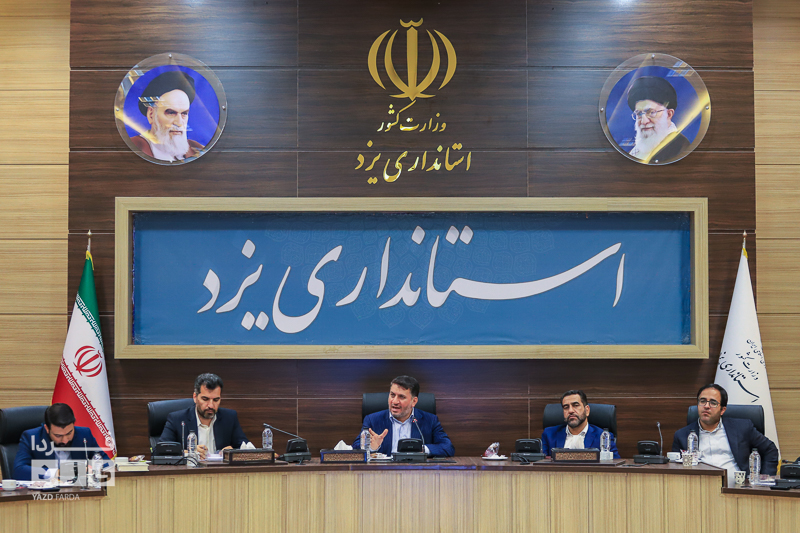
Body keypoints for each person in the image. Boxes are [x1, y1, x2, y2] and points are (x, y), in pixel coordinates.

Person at [672, 384, 778, 483]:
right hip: (699, 488)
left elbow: (770, 449)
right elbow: (676, 468)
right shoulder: (682, 435)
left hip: (736, 488)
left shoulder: (742, 428)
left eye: (713, 403)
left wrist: (763, 479)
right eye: (702, 401)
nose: (706, 406)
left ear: (722, 410)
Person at [353, 375, 454, 457]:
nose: (395, 401)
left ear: (414, 401)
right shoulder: (372, 420)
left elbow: (448, 447)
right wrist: (371, 447)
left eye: (401, 397)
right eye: (392, 395)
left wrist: (420, 449)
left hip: (416, 472)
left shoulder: (430, 420)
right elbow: (355, 447)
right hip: (384, 472)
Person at [159, 373, 249, 459]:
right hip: (190, 469)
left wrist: (233, 452)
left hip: (220, 469)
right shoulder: (177, 419)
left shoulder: (229, 418)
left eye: (216, 400)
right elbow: (159, 451)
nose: (211, 405)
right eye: (205, 399)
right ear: (195, 397)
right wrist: (188, 453)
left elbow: (247, 448)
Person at [13, 403, 107, 481]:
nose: (65, 440)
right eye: (58, 436)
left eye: (69, 433)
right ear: (47, 429)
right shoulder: (32, 437)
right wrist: (57, 473)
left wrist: (93, 470)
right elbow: (19, 471)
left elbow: (106, 462)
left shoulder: (84, 434)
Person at [129, 70, 205, 162]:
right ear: (151, 115)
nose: (179, 123)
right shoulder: (134, 147)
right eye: (171, 113)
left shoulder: (197, 149)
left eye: (184, 113)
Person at [626, 75, 691, 163]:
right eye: (639, 114)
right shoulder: (636, 150)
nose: (644, 121)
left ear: (669, 114)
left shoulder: (679, 148)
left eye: (651, 112)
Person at [540, 390, 620, 458]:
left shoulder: (603, 436)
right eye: (566, 407)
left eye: (575, 405)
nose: (570, 411)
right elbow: (541, 463)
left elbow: (614, 465)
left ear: (587, 410)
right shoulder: (549, 434)